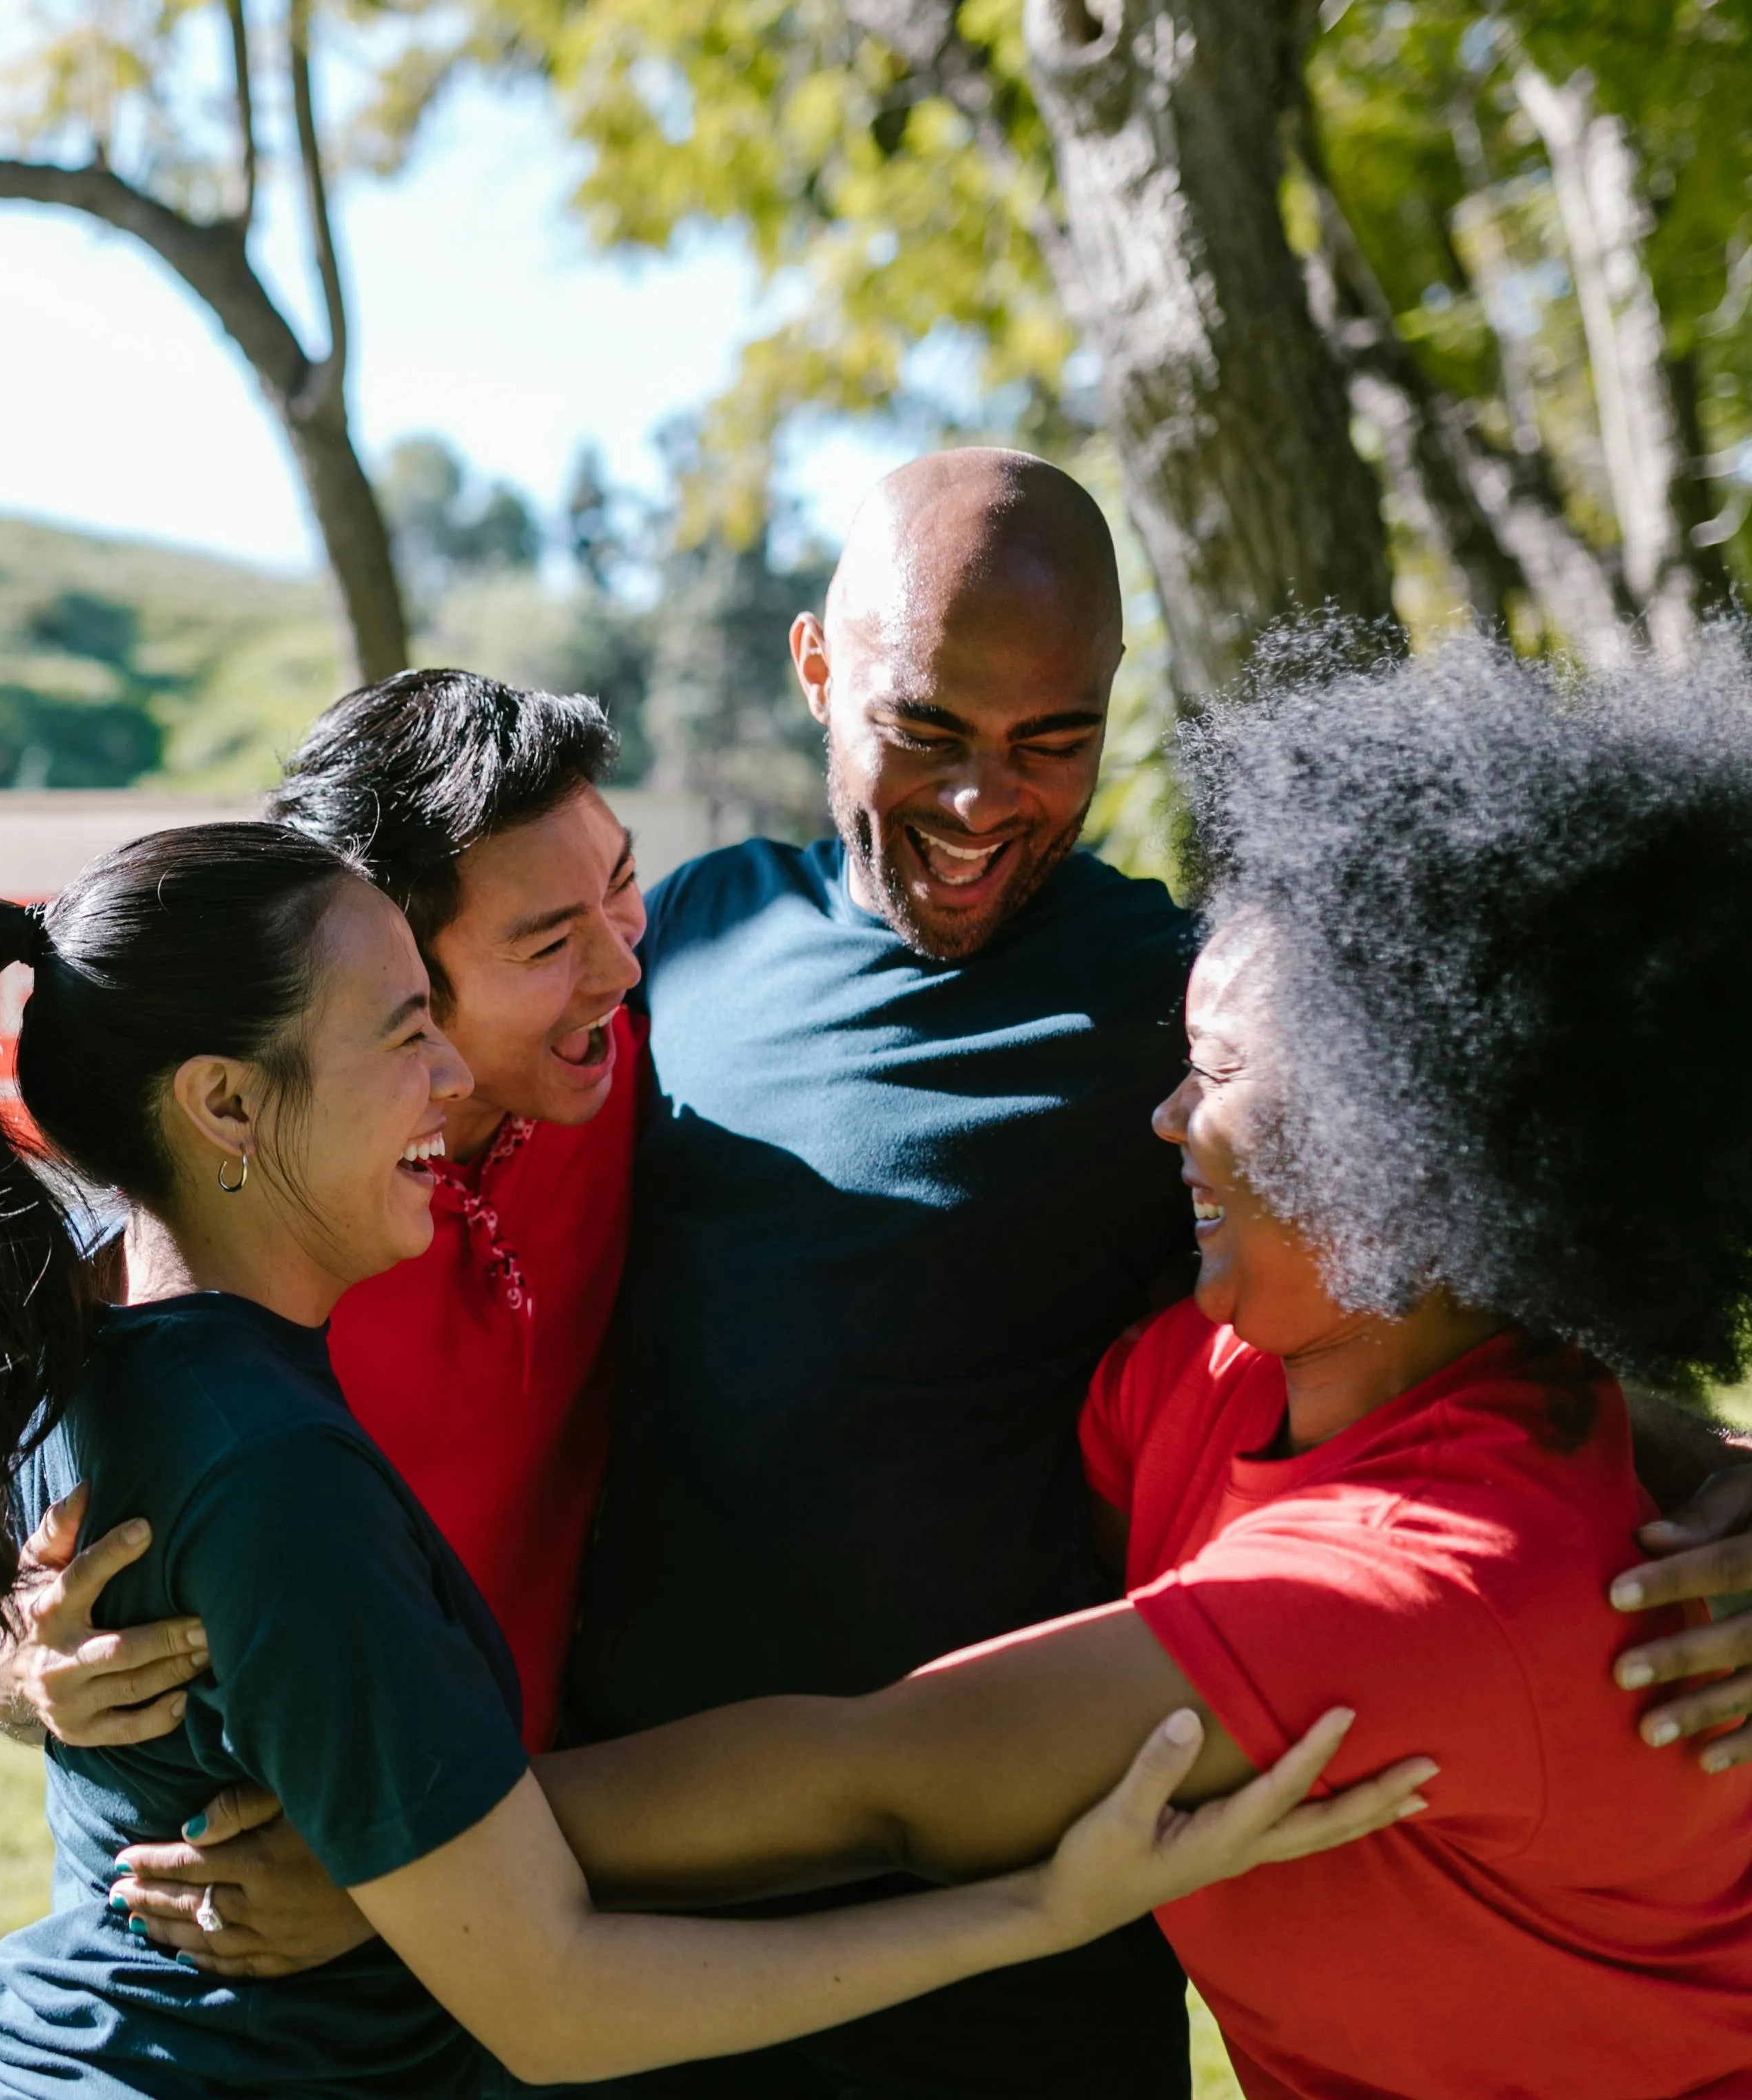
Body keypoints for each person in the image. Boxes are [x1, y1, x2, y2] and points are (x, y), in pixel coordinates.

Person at [0, 819, 1416, 2099]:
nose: (455, 1079)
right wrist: (1036, 1910)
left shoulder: (80, 1331)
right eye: (407, 1036)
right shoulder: (272, 1473)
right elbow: (556, 1997)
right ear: (222, 1106)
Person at [524, 632, 1752, 2098]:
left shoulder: (1433, 1583)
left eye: (1219, 1074)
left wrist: (406, 1843)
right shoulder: (1214, 1378)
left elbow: (885, 1783)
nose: (1166, 1119)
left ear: (1403, 1140)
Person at [0, 670, 647, 1759]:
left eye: (622, 883)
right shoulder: (201, 1258)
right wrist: (21, 1671)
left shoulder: (637, 1059)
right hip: (309, 1864)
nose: (622, 960)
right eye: (547, 943)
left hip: (545, 1829)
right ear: (387, 961)